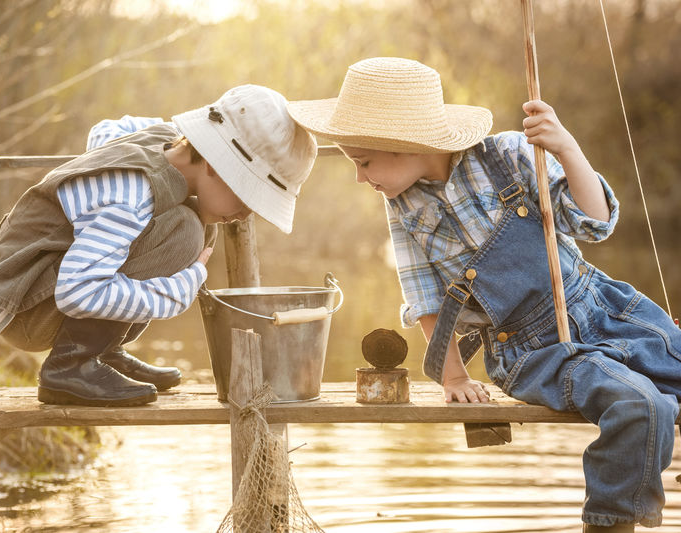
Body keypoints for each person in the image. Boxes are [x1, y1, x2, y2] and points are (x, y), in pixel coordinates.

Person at [287, 57, 681, 532]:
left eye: (363, 162)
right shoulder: (403, 209)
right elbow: (426, 298)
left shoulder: (511, 154)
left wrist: (567, 147)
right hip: (534, 349)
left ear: (407, 145)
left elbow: (594, 223)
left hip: (604, 307)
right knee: (641, 405)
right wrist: (453, 378)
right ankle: (610, 524)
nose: (359, 178)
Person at [0, 85, 317, 408]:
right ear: (214, 161)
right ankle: (69, 365)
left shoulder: (165, 139)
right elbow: (77, 291)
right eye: (248, 196)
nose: (245, 215)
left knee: (197, 221)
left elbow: (104, 131)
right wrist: (176, 292)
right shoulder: (130, 197)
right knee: (185, 232)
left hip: (35, 285)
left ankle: (101, 351)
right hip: (23, 304)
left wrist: (92, 202)